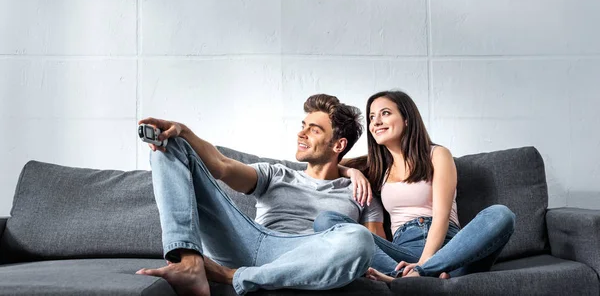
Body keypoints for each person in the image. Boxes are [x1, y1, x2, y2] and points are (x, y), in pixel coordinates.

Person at [135, 94, 383, 296]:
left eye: (314, 130)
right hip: (250, 241)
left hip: (305, 255)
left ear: (338, 145)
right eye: (303, 126)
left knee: (359, 238)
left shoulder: (360, 192)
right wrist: (185, 131)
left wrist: (350, 172)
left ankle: (231, 276)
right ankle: (190, 263)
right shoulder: (276, 174)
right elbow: (221, 165)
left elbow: (375, 251)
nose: (301, 134)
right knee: (170, 144)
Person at [314, 90, 516, 281]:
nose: (376, 122)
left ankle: (413, 278)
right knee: (326, 221)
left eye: (385, 113)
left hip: (451, 250)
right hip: (401, 254)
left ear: (407, 119)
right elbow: (329, 163)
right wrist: (353, 172)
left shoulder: (437, 154)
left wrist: (424, 265)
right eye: (372, 117)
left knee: (501, 215)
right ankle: (408, 276)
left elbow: (441, 216)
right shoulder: (377, 167)